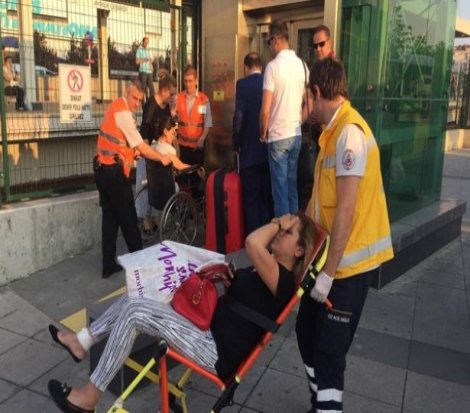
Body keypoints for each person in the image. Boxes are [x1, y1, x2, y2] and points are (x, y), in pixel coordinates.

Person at [47, 211, 317, 413]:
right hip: (205, 330)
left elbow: (252, 242)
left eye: (288, 233)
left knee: (133, 312)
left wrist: (277, 222)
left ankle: (88, 399)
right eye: (283, 229)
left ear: (299, 250)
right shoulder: (266, 271)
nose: (280, 233)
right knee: (140, 295)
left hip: (214, 349)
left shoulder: (282, 281)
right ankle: (81, 341)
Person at [295, 57, 394, 413]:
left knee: (330, 355)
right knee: (306, 333)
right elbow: (320, 202)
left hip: (347, 270)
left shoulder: (350, 136)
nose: (306, 109)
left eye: (308, 100)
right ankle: (319, 402)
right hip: (327, 262)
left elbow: (347, 209)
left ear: (319, 93)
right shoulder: (331, 136)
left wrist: (328, 273)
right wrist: (297, 230)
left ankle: (327, 407)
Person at [94, 80, 172, 279]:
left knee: (110, 220)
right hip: (113, 174)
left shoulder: (116, 107)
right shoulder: (123, 114)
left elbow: (121, 143)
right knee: (129, 219)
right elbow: (142, 146)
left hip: (102, 169)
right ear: (126, 93)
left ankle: (107, 265)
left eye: (139, 99)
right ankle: (142, 265)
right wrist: (161, 156)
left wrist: (131, 154)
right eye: (134, 98)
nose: (137, 102)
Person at [260, 19, 306, 217]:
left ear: (277, 39)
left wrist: (263, 132)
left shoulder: (273, 67)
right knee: (291, 188)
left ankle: (284, 240)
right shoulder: (302, 65)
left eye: (270, 42)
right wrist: (299, 121)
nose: (270, 47)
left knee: (279, 192)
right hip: (295, 135)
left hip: (278, 136)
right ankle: (297, 238)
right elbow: (310, 100)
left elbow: (265, 110)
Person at [233, 52, 271, 235]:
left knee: (251, 202)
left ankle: (253, 249)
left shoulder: (242, 85)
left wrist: (235, 142)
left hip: (249, 154)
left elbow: (239, 117)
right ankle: (266, 244)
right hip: (268, 153)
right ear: (261, 67)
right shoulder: (269, 83)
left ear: (245, 67)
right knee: (265, 200)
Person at [135, 74, 177, 234]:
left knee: (156, 186)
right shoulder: (151, 105)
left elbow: (168, 126)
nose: (173, 96)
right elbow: (145, 129)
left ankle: (155, 217)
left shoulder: (166, 106)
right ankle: (145, 220)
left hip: (158, 149)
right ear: (165, 90)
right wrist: (146, 154)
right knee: (145, 184)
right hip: (147, 149)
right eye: (172, 93)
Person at [175, 65, 212, 167]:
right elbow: (173, 120)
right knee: (182, 177)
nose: (188, 84)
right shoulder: (178, 98)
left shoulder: (203, 100)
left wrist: (202, 139)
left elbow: (207, 122)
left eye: (190, 81)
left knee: (196, 178)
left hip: (197, 147)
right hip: (182, 146)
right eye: (186, 81)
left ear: (196, 81)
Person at [135, 37, 154, 101]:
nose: (146, 43)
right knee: (143, 88)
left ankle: (151, 102)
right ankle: (143, 103)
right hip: (143, 71)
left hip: (149, 72)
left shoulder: (149, 50)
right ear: (143, 42)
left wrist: (151, 63)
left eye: (147, 42)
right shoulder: (139, 50)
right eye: (145, 42)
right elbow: (137, 61)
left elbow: (152, 59)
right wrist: (144, 59)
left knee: (151, 88)